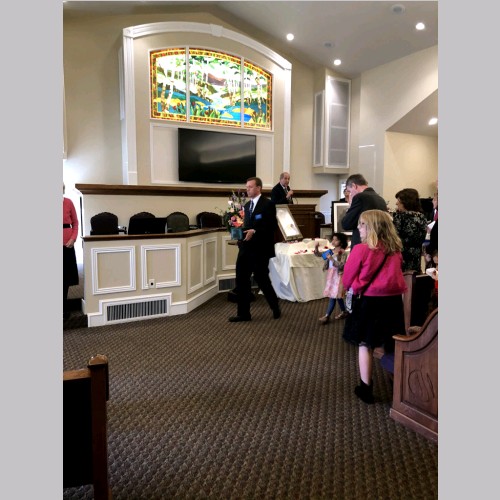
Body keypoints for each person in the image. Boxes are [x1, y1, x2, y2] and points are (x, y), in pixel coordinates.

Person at [342, 209, 406, 404]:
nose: (359, 228)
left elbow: (347, 278)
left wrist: (353, 286)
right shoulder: (395, 250)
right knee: (393, 342)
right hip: (394, 301)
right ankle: (400, 384)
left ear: (371, 227)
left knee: (365, 344)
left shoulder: (361, 249)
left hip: (370, 301)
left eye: (362, 224)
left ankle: (366, 389)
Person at [229, 177, 281, 322]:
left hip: (260, 250)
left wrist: (255, 231)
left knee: (262, 280)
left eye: (250, 187)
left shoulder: (268, 204)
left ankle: (275, 306)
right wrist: (238, 233)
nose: (247, 190)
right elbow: (244, 226)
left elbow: (272, 226)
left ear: (258, 188)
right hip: (245, 248)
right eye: (246, 187)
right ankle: (243, 314)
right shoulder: (246, 206)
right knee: (241, 280)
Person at [341, 173, 387, 249]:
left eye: (349, 191)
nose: (350, 194)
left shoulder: (359, 197)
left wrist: (350, 206)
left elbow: (346, 224)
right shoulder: (380, 199)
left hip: (362, 245)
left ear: (354, 186)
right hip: (378, 244)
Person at [314, 232, 349, 324]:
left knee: (332, 296)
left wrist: (332, 260)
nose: (333, 241)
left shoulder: (343, 253)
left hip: (339, 277)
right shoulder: (331, 251)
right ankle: (344, 311)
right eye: (332, 239)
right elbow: (320, 255)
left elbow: (341, 266)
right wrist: (316, 248)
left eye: (335, 240)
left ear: (341, 242)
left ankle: (327, 316)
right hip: (331, 276)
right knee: (337, 296)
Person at [391, 188, 428, 272]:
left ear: (406, 202)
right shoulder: (422, 217)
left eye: (398, 201)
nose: (396, 203)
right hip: (416, 257)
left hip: (402, 257)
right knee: (413, 277)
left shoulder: (399, 217)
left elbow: (393, 238)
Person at [63, 183, 79, 320]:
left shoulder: (68, 202)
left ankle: (63, 307)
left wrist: (73, 238)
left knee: (65, 278)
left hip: (67, 245)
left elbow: (75, 222)